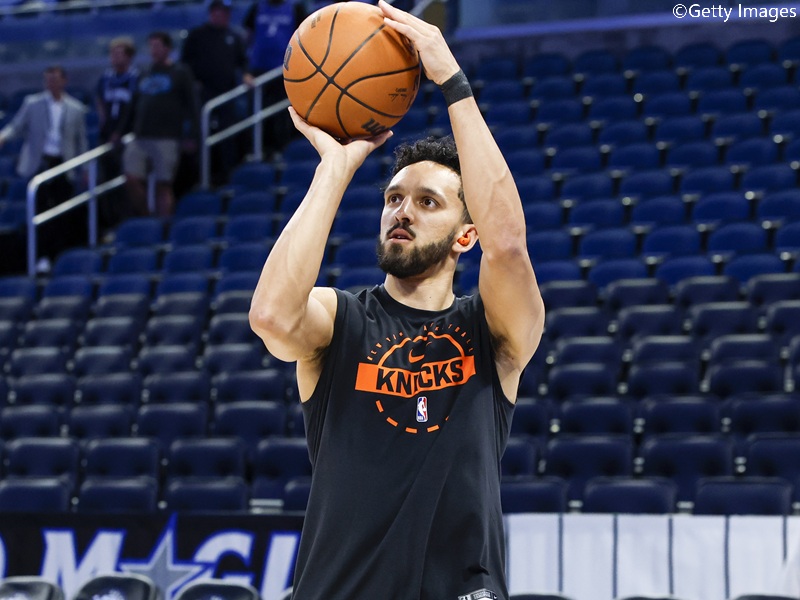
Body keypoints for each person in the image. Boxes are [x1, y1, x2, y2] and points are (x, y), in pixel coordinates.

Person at [248, 2, 545, 598]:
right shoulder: (342, 320)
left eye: (428, 202)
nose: (402, 211)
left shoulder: (491, 331)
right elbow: (272, 318)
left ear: (466, 235)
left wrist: (453, 84)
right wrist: (334, 170)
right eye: (392, 198)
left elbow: (509, 246)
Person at [0, 65, 89, 268]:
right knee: (39, 211)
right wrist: (3, 137)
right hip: (40, 163)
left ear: (64, 81)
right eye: (47, 79)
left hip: (63, 164)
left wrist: (84, 168)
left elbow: (81, 141)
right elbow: (16, 126)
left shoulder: (75, 108)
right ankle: (41, 257)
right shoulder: (32, 103)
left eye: (55, 79)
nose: (51, 83)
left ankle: (60, 256)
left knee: (62, 212)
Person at [122, 31, 198, 218]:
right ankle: (147, 217)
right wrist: (119, 131)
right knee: (131, 178)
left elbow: (192, 105)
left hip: (167, 136)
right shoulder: (145, 73)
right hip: (140, 136)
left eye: (157, 46)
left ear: (168, 48)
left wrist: (192, 135)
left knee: (163, 185)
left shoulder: (180, 72)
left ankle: (163, 226)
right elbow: (132, 106)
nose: (153, 50)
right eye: (151, 46)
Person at [181, 0, 250, 185]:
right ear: (211, 13)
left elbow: (242, 61)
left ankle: (229, 175)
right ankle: (202, 177)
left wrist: (245, 75)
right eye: (219, 12)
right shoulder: (197, 35)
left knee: (228, 133)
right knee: (201, 133)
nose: (223, 15)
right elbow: (185, 63)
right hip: (203, 93)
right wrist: (193, 83)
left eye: (226, 12)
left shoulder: (233, 36)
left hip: (227, 93)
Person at [242, 0, 305, 156]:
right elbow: (247, 37)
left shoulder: (295, 9)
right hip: (259, 71)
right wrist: (246, 69)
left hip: (284, 71)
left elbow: (304, 37)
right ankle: (257, 151)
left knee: (282, 114)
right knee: (257, 112)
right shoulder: (256, 8)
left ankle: (280, 151)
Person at [95, 36, 139, 228]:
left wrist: (121, 132)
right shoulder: (105, 78)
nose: (114, 57)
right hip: (108, 135)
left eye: (119, 54)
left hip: (129, 135)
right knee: (107, 180)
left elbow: (134, 108)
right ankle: (111, 222)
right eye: (112, 53)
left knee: (127, 179)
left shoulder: (136, 78)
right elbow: (99, 100)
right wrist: (105, 124)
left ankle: (129, 220)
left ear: (129, 56)